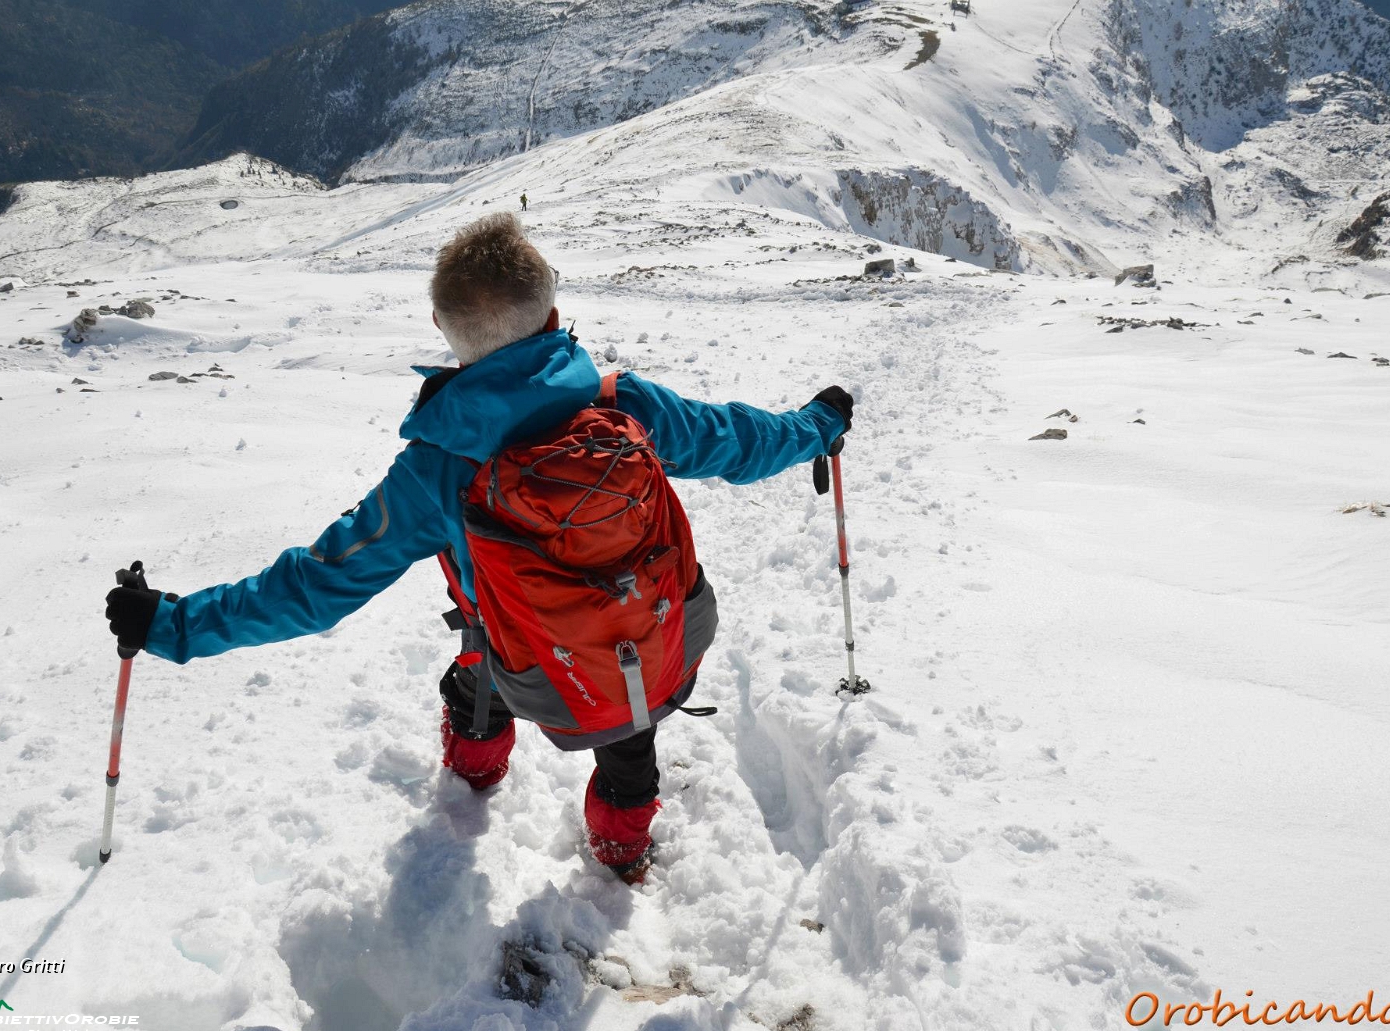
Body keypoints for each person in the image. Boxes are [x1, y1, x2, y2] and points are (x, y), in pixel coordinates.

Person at [105, 213, 853, 882]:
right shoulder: (625, 406)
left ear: (441, 326)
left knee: (474, 676)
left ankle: (474, 777)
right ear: (554, 316)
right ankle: (622, 852)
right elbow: (740, 441)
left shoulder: (439, 466)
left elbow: (314, 585)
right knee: (630, 744)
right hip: (657, 643)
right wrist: (818, 426)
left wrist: (171, 623)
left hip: (518, 666)